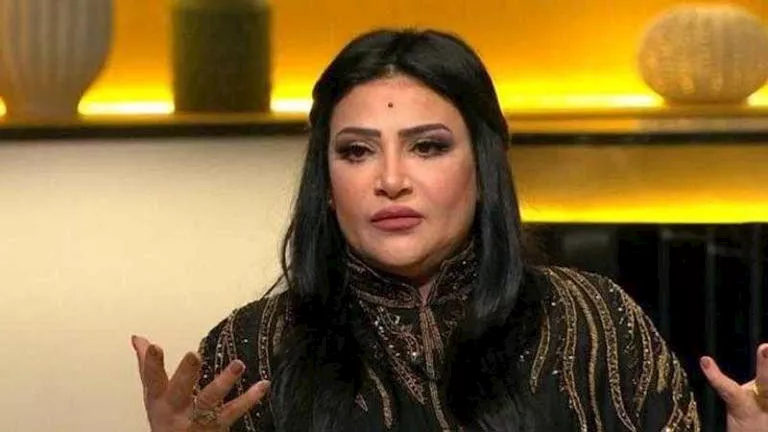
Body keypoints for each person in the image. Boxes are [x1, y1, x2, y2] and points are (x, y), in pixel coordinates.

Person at [131, 28, 768, 431]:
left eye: (428, 147)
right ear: (325, 183)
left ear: (485, 168)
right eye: (356, 151)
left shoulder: (595, 322)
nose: (390, 179)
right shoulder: (250, 350)